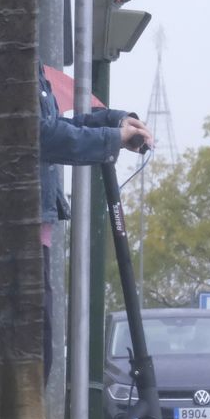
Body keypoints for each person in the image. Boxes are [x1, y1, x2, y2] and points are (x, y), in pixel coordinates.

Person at [39, 63, 153, 381]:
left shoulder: (33, 71)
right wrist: (114, 136)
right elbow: (45, 135)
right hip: (22, 233)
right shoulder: (14, 64)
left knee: (41, 344)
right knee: (37, 347)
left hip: (38, 229)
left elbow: (61, 126)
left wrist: (115, 122)